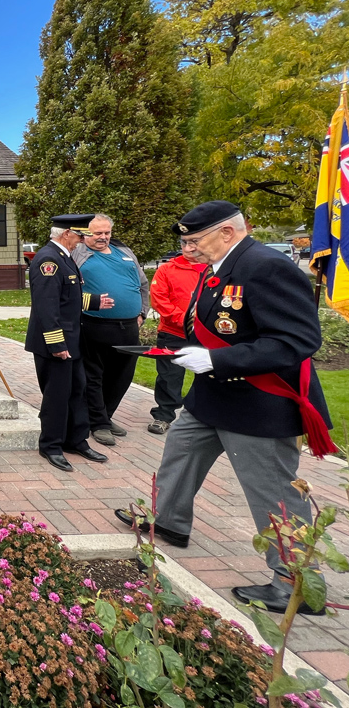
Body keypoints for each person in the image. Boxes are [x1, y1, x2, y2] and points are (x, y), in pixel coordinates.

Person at [115, 201, 334, 615]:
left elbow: (295, 341)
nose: (188, 248)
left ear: (228, 233)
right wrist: (186, 351)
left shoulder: (266, 266)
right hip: (213, 397)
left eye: (194, 240)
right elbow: (220, 327)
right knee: (179, 453)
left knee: (272, 493)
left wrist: (216, 360)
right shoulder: (220, 268)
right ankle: (169, 522)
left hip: (258, 401)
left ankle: (298, 586)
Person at [25, 214, 114, 472]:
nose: (84, 239)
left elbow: (68, 298)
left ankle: (75, 440)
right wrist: (56, 344)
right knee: (57, 396)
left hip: (71, 341)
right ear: (66, 234)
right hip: (55, 344)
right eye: (80, 234)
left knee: (77, 390)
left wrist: (95, 302)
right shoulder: (49, 260)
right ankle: (51, 445)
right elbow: (47, 306)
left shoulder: (64, 257)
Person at [71, 214, 150, 446]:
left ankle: (106, 415)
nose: (103, 237)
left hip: (128, 326)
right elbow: (67, 288)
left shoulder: (124, 253)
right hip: (94, 324)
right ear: (86, 234)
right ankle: (98, 423)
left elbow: (143, 284)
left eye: (107, 233)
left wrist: (142, 313)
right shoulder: (78, 254)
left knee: (122, 376)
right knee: (94, 375)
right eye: (97, 233)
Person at [146, 242, 205, 435]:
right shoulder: (167, 270)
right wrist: (185, 320)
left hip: (207, 334)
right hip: (173, 332)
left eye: (194, 243)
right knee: (169, 376)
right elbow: (159, 299)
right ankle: (163, 416)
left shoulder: (215, 269)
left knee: (208, 375)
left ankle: (204, 416)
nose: (189, 248)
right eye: (185, 243)